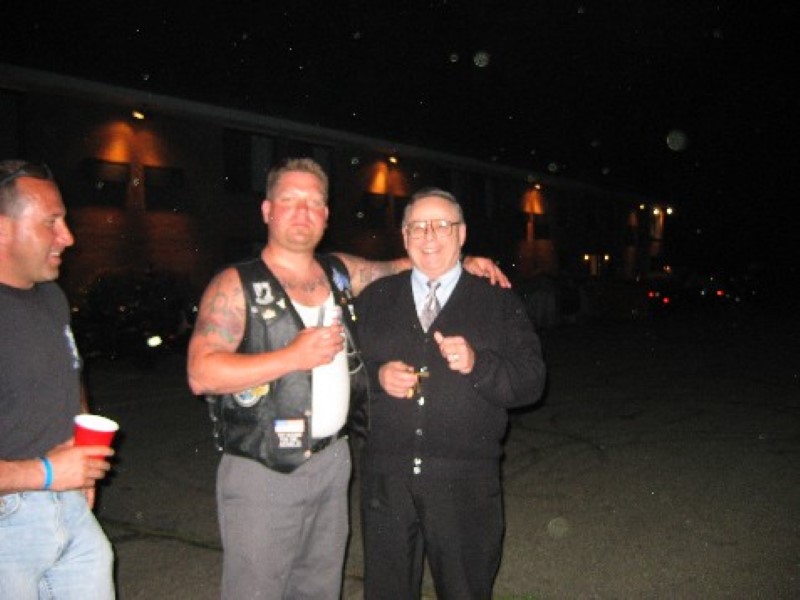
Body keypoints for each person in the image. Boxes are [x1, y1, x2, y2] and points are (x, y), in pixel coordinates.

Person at [186, 157, 508, 599]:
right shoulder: (235, 284)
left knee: (319, 589)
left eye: (313, 202)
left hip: (333, 463)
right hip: (263, 467)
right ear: (267, 210)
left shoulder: (338, 272)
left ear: (326, 214)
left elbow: (403, 265)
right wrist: (292, 357)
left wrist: (462, 260)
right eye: (289, 200)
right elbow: (201, 373)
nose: (302, 212)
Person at [356, 187, 547, 600]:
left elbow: (532, 381)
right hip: (386, 482)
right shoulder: (375, 299)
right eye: (418, 226)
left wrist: (479, 363)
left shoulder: (497, 300)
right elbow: (344, 376)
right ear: (404, 236)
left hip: (465, 484)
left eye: (442, 225)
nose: (429, 235)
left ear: (462, 234)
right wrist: (376, 376)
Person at [0, 160, 115, 598]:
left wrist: (83, 457)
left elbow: (71, 376)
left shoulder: (51, 297)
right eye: (52, 223)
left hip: (68, 505)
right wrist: (46, 472)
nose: (68, 237)